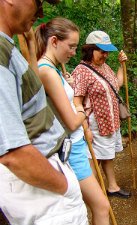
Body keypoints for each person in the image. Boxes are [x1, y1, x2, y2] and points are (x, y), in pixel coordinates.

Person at [0, 1, 88, 225]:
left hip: (46, 178)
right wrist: (64, 186)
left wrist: (29, 43)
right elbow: (12, 152)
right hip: (44, 186)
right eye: (37, 2)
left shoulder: (7, 49)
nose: (40, 12)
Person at [35, 18, 110, 225]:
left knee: (94, 204)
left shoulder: (54, 69)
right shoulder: (46, 71)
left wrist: (67, 86)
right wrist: (82, 111)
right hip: (72, 148)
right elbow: (71, 120)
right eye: (71, 46)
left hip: (76, 144)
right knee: (102, 207)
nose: (74, 52)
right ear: (54, 41)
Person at [72, 30, 131, 198]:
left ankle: (112, 186)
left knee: (107, 156)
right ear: (90, 49)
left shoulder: (104, 67)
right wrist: (86, 129)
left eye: (107, 51)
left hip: (110, 122)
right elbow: (77, 102)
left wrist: (121, 65)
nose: (105, 55)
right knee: (94, 160)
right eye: (101, 51)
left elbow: (117, 84)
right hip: (95, 124)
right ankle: (94, 194)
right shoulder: (82, 71)